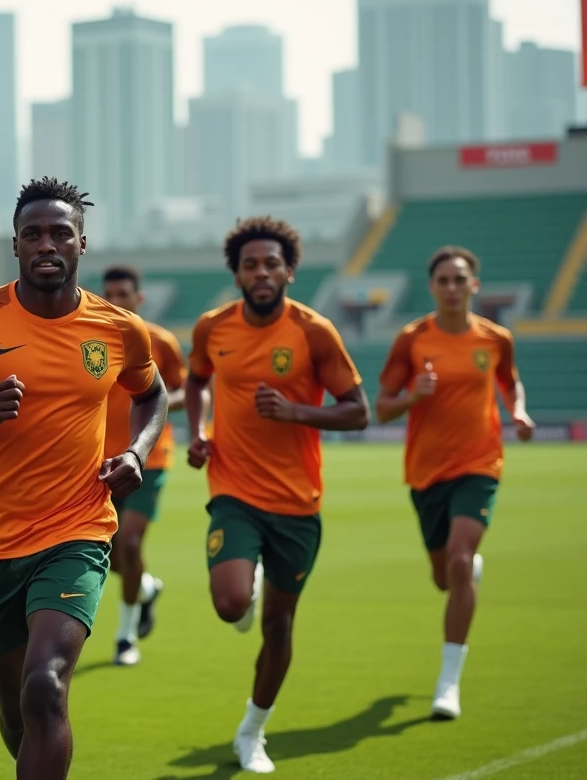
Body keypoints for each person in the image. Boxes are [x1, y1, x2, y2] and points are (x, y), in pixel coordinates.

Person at [0, 177, 168, 780]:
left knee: (45, 686)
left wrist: (136, 452)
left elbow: (153, 397)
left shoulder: (119, 329)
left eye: (59, 233)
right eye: (32, 234)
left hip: (76, 531)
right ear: (16, 246)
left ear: (82, 243)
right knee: (16, 711)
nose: (46, 244)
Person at [184, 216, 368, 774]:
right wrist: (197, 430)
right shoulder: (212, 328)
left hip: (297, 503)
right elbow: (194, 380)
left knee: (278, 627)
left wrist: (298, 412)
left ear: (289, 270)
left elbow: (359, 410)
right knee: (230, 603)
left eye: (271, 264)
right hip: (234, 490)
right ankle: (247, 578)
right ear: (236, 274)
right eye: (250, 265)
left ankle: (252, 732)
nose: (261, 273)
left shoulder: (314, 332)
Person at [375, 245, 534, 721]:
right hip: (427, 471)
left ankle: (448, 683)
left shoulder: (495, 339)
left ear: (474, 285)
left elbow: (510, 382)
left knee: (461, 561)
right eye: (443, 280)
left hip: (479, 463)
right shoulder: (412, 338)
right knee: (445, 575)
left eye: (459, 279)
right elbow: (382, 405)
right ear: (432, 286)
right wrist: (411, 397)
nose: (451, 287)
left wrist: (519, 411)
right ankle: (463, 574)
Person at [100, 264, 190, 666]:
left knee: (131, 543)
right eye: (110, 295)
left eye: (124, 295)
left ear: (139, 298)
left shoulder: (161, 342)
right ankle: (147, 588)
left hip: (148, 456)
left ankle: (125, 637)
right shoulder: (89, 338)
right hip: (98, 459)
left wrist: (159, 402)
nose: (116, 302)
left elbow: (181, 389)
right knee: (110, 555)